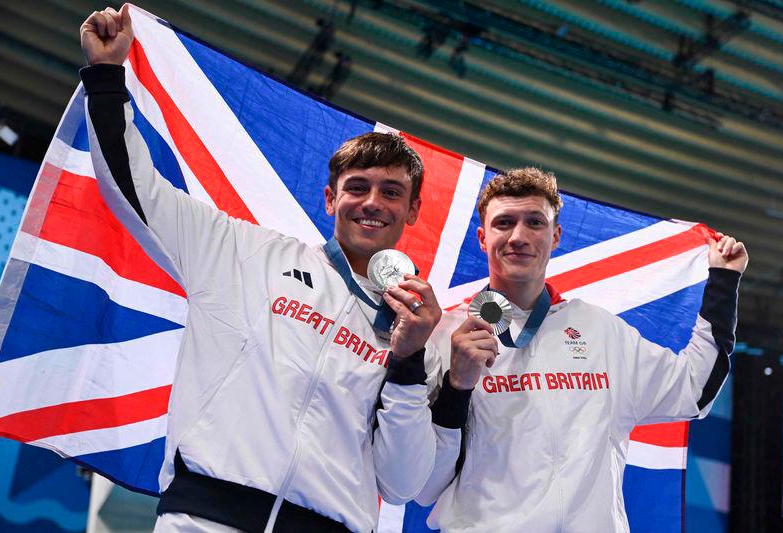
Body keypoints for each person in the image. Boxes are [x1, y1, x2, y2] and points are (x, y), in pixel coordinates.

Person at [79, 6, 442, 532]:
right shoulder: (243, 252)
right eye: (357, 187)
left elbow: (402, 482)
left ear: (411, 212)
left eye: (391, 192)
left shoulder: (414, 330)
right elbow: (140, 193)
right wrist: (107, 77)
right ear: (329, 199)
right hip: (204, 519)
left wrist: (408, 362)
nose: (372, 203)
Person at [417, 167, 747, 532]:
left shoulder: (599, 330)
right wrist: (455, 387)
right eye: (504, 223)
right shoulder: (447, 334)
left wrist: (723, 283)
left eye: (535, 223)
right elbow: (423, 484)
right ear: (482, 237)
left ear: (556, 236)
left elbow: (693, 391)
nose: (519, 236)